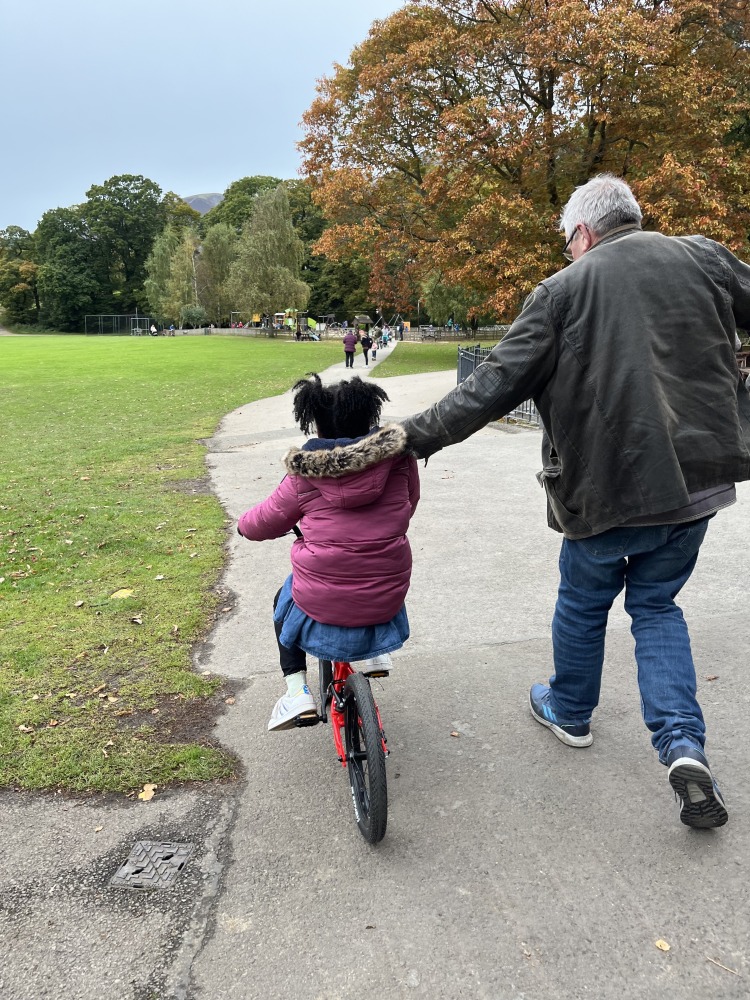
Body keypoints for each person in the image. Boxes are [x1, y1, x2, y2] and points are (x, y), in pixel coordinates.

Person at [401, 173, 750, 829]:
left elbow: (489, 389)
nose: (568, 253)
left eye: (567, 243)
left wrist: (405, 441)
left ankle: (569, 709)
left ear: (583, 233)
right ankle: (682, 747)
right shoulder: (703, 256)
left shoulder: (560, 293)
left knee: (585, 602)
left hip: (605, 491)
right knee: (656, 608)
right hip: (698, 484)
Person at [238, 374, 420, 730]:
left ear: (316, 423)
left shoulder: (303, 475)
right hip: (386, 593)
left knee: (283, 599)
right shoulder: (399, 462)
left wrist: (243, 526)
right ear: (369, 417)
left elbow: (265, 521)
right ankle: (374, 651)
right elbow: (408, 504)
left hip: (321, 599)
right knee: (377, 572)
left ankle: (296, 692)